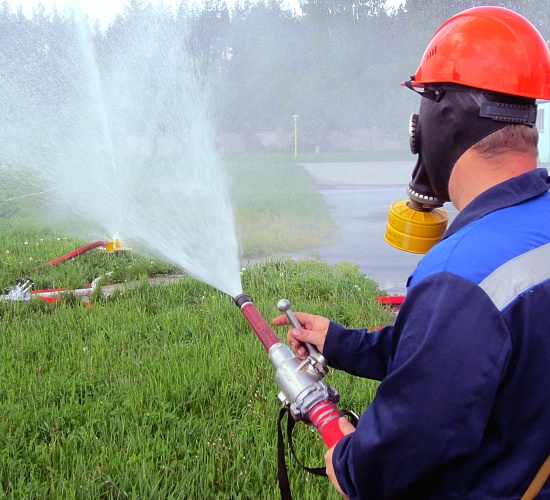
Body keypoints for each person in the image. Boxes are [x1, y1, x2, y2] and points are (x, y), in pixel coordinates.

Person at [273, 6, 550, 499]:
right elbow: (468, 349)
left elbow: (386, 465)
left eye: (422, 103)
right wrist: (340, 343)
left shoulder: (460, 277)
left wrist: (347, 458)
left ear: (443, 118)